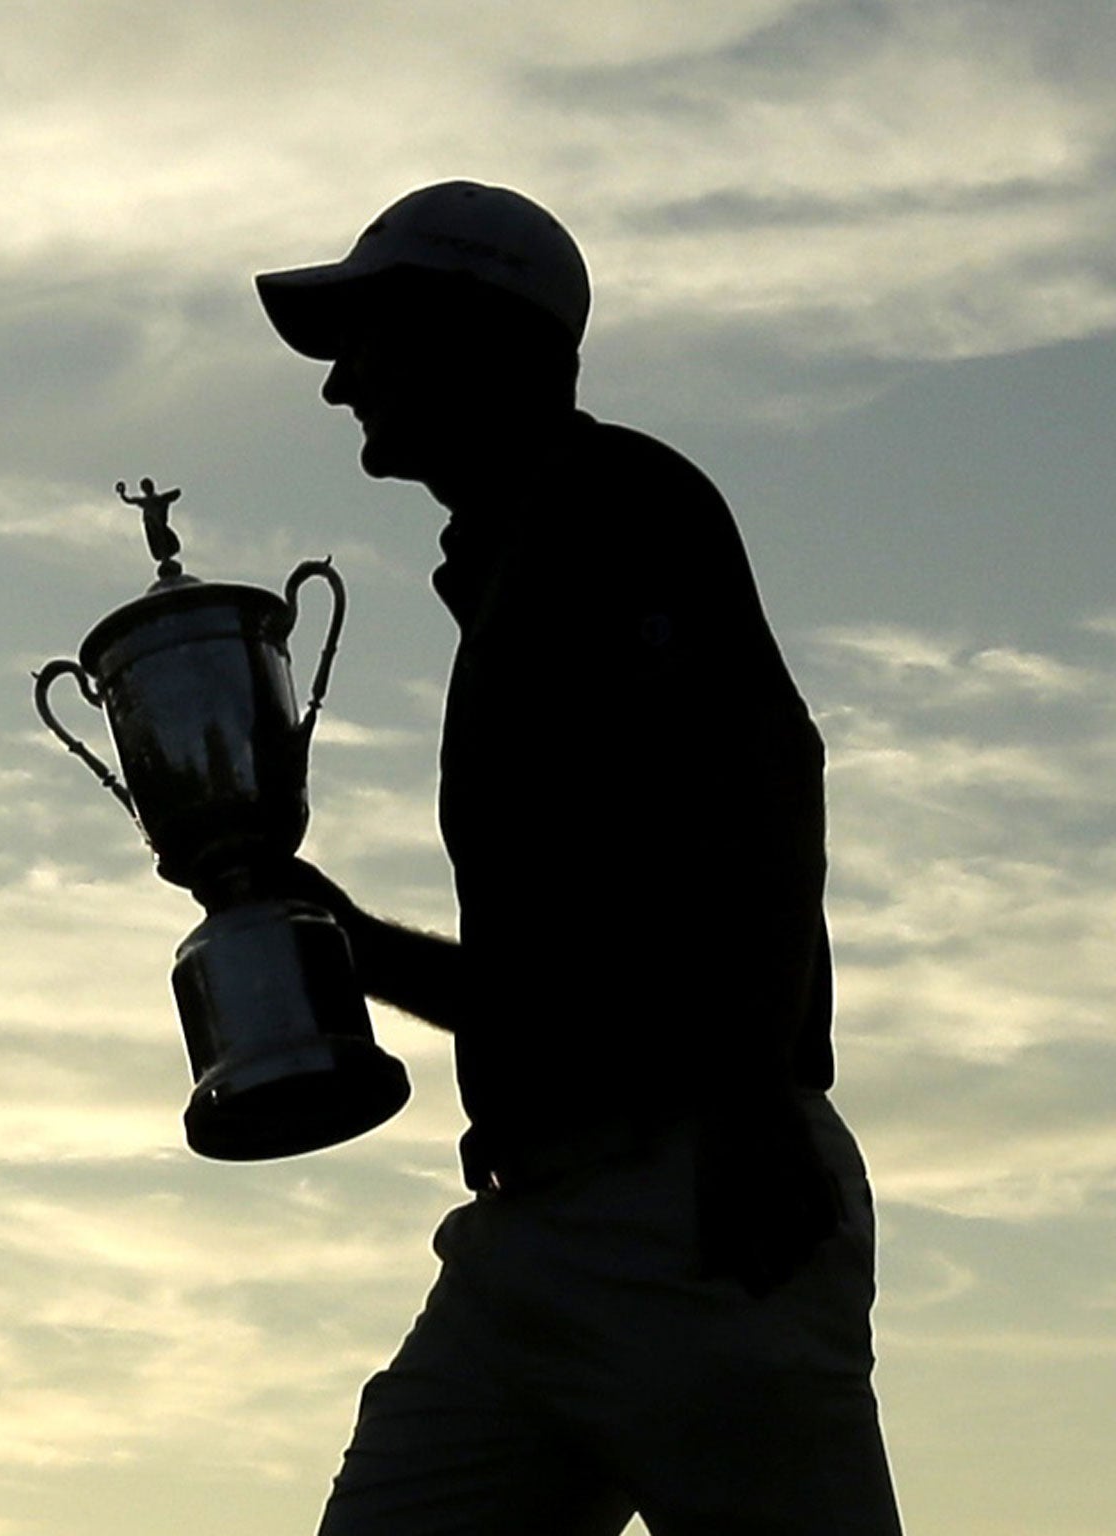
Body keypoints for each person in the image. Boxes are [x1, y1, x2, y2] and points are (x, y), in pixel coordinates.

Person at [253, 182, 902, 1534]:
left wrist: (745, 1107)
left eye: (364, 343)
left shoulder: (619, 510)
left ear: (465, 337)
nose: (340, 390)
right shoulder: (531, 553)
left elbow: (768, 792)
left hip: (689, 1212)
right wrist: (349, 948)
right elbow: (564, 971)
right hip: (542, 1226)